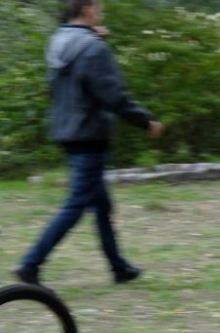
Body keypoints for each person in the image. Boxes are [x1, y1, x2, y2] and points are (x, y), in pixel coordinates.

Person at [14, 0, 164, 287]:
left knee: (101, 205)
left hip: (67, 132)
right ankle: (30, 263)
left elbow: (75, 74)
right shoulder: (93, 49)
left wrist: (94, 38)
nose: (101, 13)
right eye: (98, 8)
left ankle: (119, 267)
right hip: (90, 134)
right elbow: (113, 96)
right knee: (76, 205)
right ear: (85, 10)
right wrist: (146, 121)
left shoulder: (57, 43)